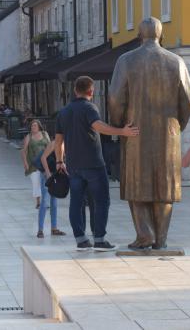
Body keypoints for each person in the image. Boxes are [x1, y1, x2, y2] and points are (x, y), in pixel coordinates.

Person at [109, 17, 190, 250]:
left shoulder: (126, 60)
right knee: (164, 188)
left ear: (139, 35)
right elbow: (189, 100)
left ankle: (144, 234)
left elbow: (115, 98)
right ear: (161, 35)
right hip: (168, 135)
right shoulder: (176, 61)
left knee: (137, 185)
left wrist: (118, 125)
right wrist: (177, 125)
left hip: (135, 132)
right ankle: (161, 238)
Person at [54, 76, 139, 252]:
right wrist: (122, 132)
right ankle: (99, 240)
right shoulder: (89, 107)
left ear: (75, 90)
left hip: (73, 165)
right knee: (101, 201)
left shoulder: (64, 112)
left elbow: (58, 141)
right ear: (91, 92)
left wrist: (59, 161)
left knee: (76, 203)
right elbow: (98, 126)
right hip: (93, 163)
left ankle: (81, 240)